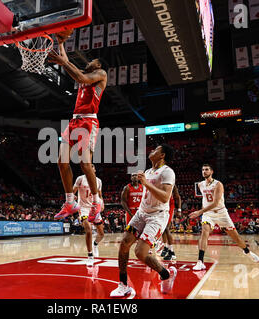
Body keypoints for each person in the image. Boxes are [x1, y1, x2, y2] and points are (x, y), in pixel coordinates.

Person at [48, 33, 107, 224]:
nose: (89, 61)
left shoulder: (101, 74)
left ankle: (96, 202)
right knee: (61, 162)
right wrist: (60, 43)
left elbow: (79, 74)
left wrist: (64, 62)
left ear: (98, 65)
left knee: (84, 164)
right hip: (74, 121)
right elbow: (70, 66)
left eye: (93, 60)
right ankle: (69, 202)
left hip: (88, 122)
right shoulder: (84, 76)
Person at [110, 144, 178, 297]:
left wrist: (146, 183)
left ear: (163, 155)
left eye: (156, 150)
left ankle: (166, 274)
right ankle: (123, 285)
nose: (152, 151)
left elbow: (166, 197)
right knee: (124, 244)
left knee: (140, 252)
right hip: (141, 213)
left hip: (157, 216)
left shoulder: (168, 172)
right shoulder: (148, 171)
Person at [189, 164, 259, 271]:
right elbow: (205, 200)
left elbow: (215, 202)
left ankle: (247, 252)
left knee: (236, 238)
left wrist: (199, 212)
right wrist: (203, 212)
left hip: (221, 213)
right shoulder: (200, 185)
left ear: (211, 171)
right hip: (208, 214)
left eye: (206, 169)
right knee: (204, 233)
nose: (204, 171)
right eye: (203, 170)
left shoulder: (218, 184)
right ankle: (200, 261)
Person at [73, 164, 105, 266]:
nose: (90, 168)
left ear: (94, 170)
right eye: (88, 166)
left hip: (94, 208)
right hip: (83, 208)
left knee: (102, 234)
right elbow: (72, 191)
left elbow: (100, 195)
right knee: (88, 230)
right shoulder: (80, 179)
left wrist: (102, 203)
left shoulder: (99, 181)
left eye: (92, 166)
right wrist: (71, 198)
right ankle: (90, 255)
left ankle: (95, 244)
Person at [160, 184, 181, 260]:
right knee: (163, 229)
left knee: (166, 228)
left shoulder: (171, 183)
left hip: (169, 205)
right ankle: (165, 247)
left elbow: (178, 197)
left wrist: (179, 210)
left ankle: (171, 252)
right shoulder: (157, 181)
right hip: (160, 204)